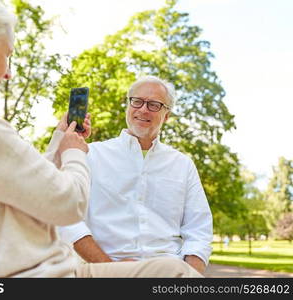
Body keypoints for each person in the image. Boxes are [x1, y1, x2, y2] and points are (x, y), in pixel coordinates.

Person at [0, 0, 201, 278]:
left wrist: (60, 142)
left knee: (172, 271)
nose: (8, 73)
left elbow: (28, 185)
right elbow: (68, 203)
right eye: (6, 55)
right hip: (47, 275)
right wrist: (75, 153)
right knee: (176, 275)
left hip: (51, 270)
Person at [59, 76, 213, 275]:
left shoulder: (183, 165)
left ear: (166, 115)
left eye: (154, 104)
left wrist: (189, 278)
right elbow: (69, 218)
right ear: (128, 106)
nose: (143, 109)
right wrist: (112, 270)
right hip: (102, 272)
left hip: (169, 274)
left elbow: (199, 230)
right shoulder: (90, 154)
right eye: (137, 101)